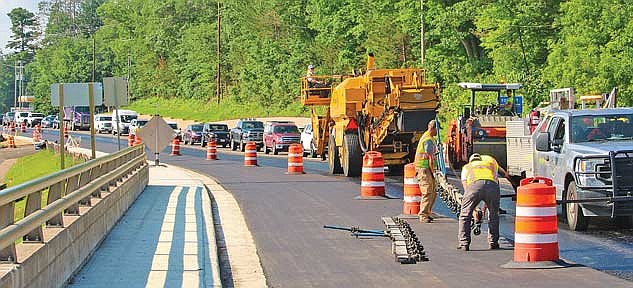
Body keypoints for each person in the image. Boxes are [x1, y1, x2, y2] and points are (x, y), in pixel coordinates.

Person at [457, 153, 512, 251]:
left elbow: (467, 189)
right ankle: (493, 242)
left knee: (465, 215)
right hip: (492, 186)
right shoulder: (489, 164)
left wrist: (474, 210)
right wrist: (484, 209)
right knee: (494, 215)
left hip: (474, 186)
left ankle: (464, 243)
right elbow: (499, 179)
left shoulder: (467, 167)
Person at [414, 119, 438, 223]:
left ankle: (428, 212)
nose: (438, 132)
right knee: (427, 191)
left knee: (433, 191)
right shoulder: (428, 140)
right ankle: (423, 215)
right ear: (432, 128)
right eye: (437, 130)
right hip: (423, 169)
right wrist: (434, 172)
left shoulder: (430, 138)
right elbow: (430, 158)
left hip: (427, 168)